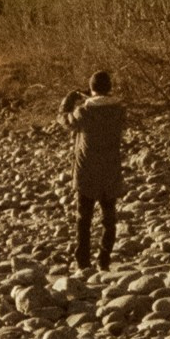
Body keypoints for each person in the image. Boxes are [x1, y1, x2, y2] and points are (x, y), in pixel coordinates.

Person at [59, 68, 126, 270]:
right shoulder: (120, 111)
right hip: (110, 171)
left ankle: (83, 263)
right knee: (109, 220)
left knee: (84, 220)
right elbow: (107, 108)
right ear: (110, 88)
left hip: (86, 172)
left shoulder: (84, 112)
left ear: (91, 88)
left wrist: (68, 101)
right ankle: (104, 261)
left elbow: (64, 120)